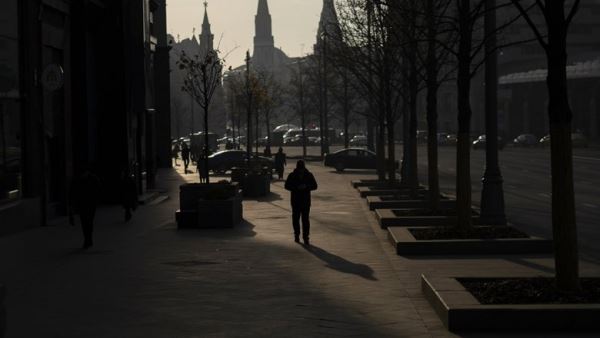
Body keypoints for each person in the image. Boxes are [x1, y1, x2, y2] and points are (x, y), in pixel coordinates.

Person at [284, 160, 318, 245]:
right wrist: (296, 187)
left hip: (306, 201)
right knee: (296, 219)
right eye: (299, 170)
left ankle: (306, 237)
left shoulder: (309, 175)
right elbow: (287, 186)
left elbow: (315, 186)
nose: (301, 171)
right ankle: (297, 235)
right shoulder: (292, 175)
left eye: (302, 170)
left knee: (305, 220)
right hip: (295, 201)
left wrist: (306, 186)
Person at [70, 165, 101, 249]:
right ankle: (87, 238)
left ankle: (88, 238)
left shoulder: (93, 179)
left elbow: (98, 190)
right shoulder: (78, 180)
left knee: (89, 221)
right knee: (84, 222)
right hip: (82, 204)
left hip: (90, 204)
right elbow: (73, 192)